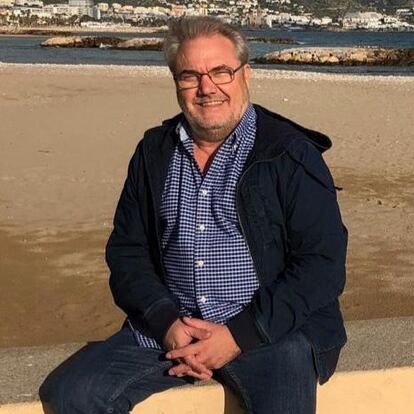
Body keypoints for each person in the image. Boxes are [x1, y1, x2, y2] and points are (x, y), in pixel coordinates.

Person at [39, 16, 348, 414]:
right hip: (171, 329)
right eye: (190, 76)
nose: (207, 88)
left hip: (269, 330)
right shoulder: (154, 152)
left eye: (221, 71)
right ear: (176, 83)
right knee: (73, 396)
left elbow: (322, 266)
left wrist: (239, 334)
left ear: (245, 75)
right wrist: (165, 322)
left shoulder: (289, 154)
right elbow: (127, 252)